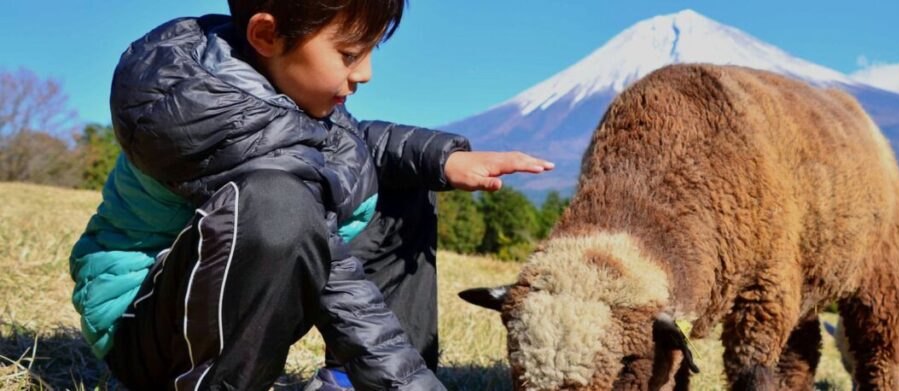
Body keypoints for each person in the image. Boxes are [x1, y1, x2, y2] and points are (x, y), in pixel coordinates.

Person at [68, 1, 553, 389]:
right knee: (279, 206)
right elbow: (334, 271)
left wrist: (442, 159)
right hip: (146, 328)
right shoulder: (208, 120)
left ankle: (348, 381)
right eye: (348, 54)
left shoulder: (257, 81)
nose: (365, 74)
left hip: (222, 299)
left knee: (400, 178)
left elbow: (351, 144)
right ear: (265, 34)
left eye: (370, 52)